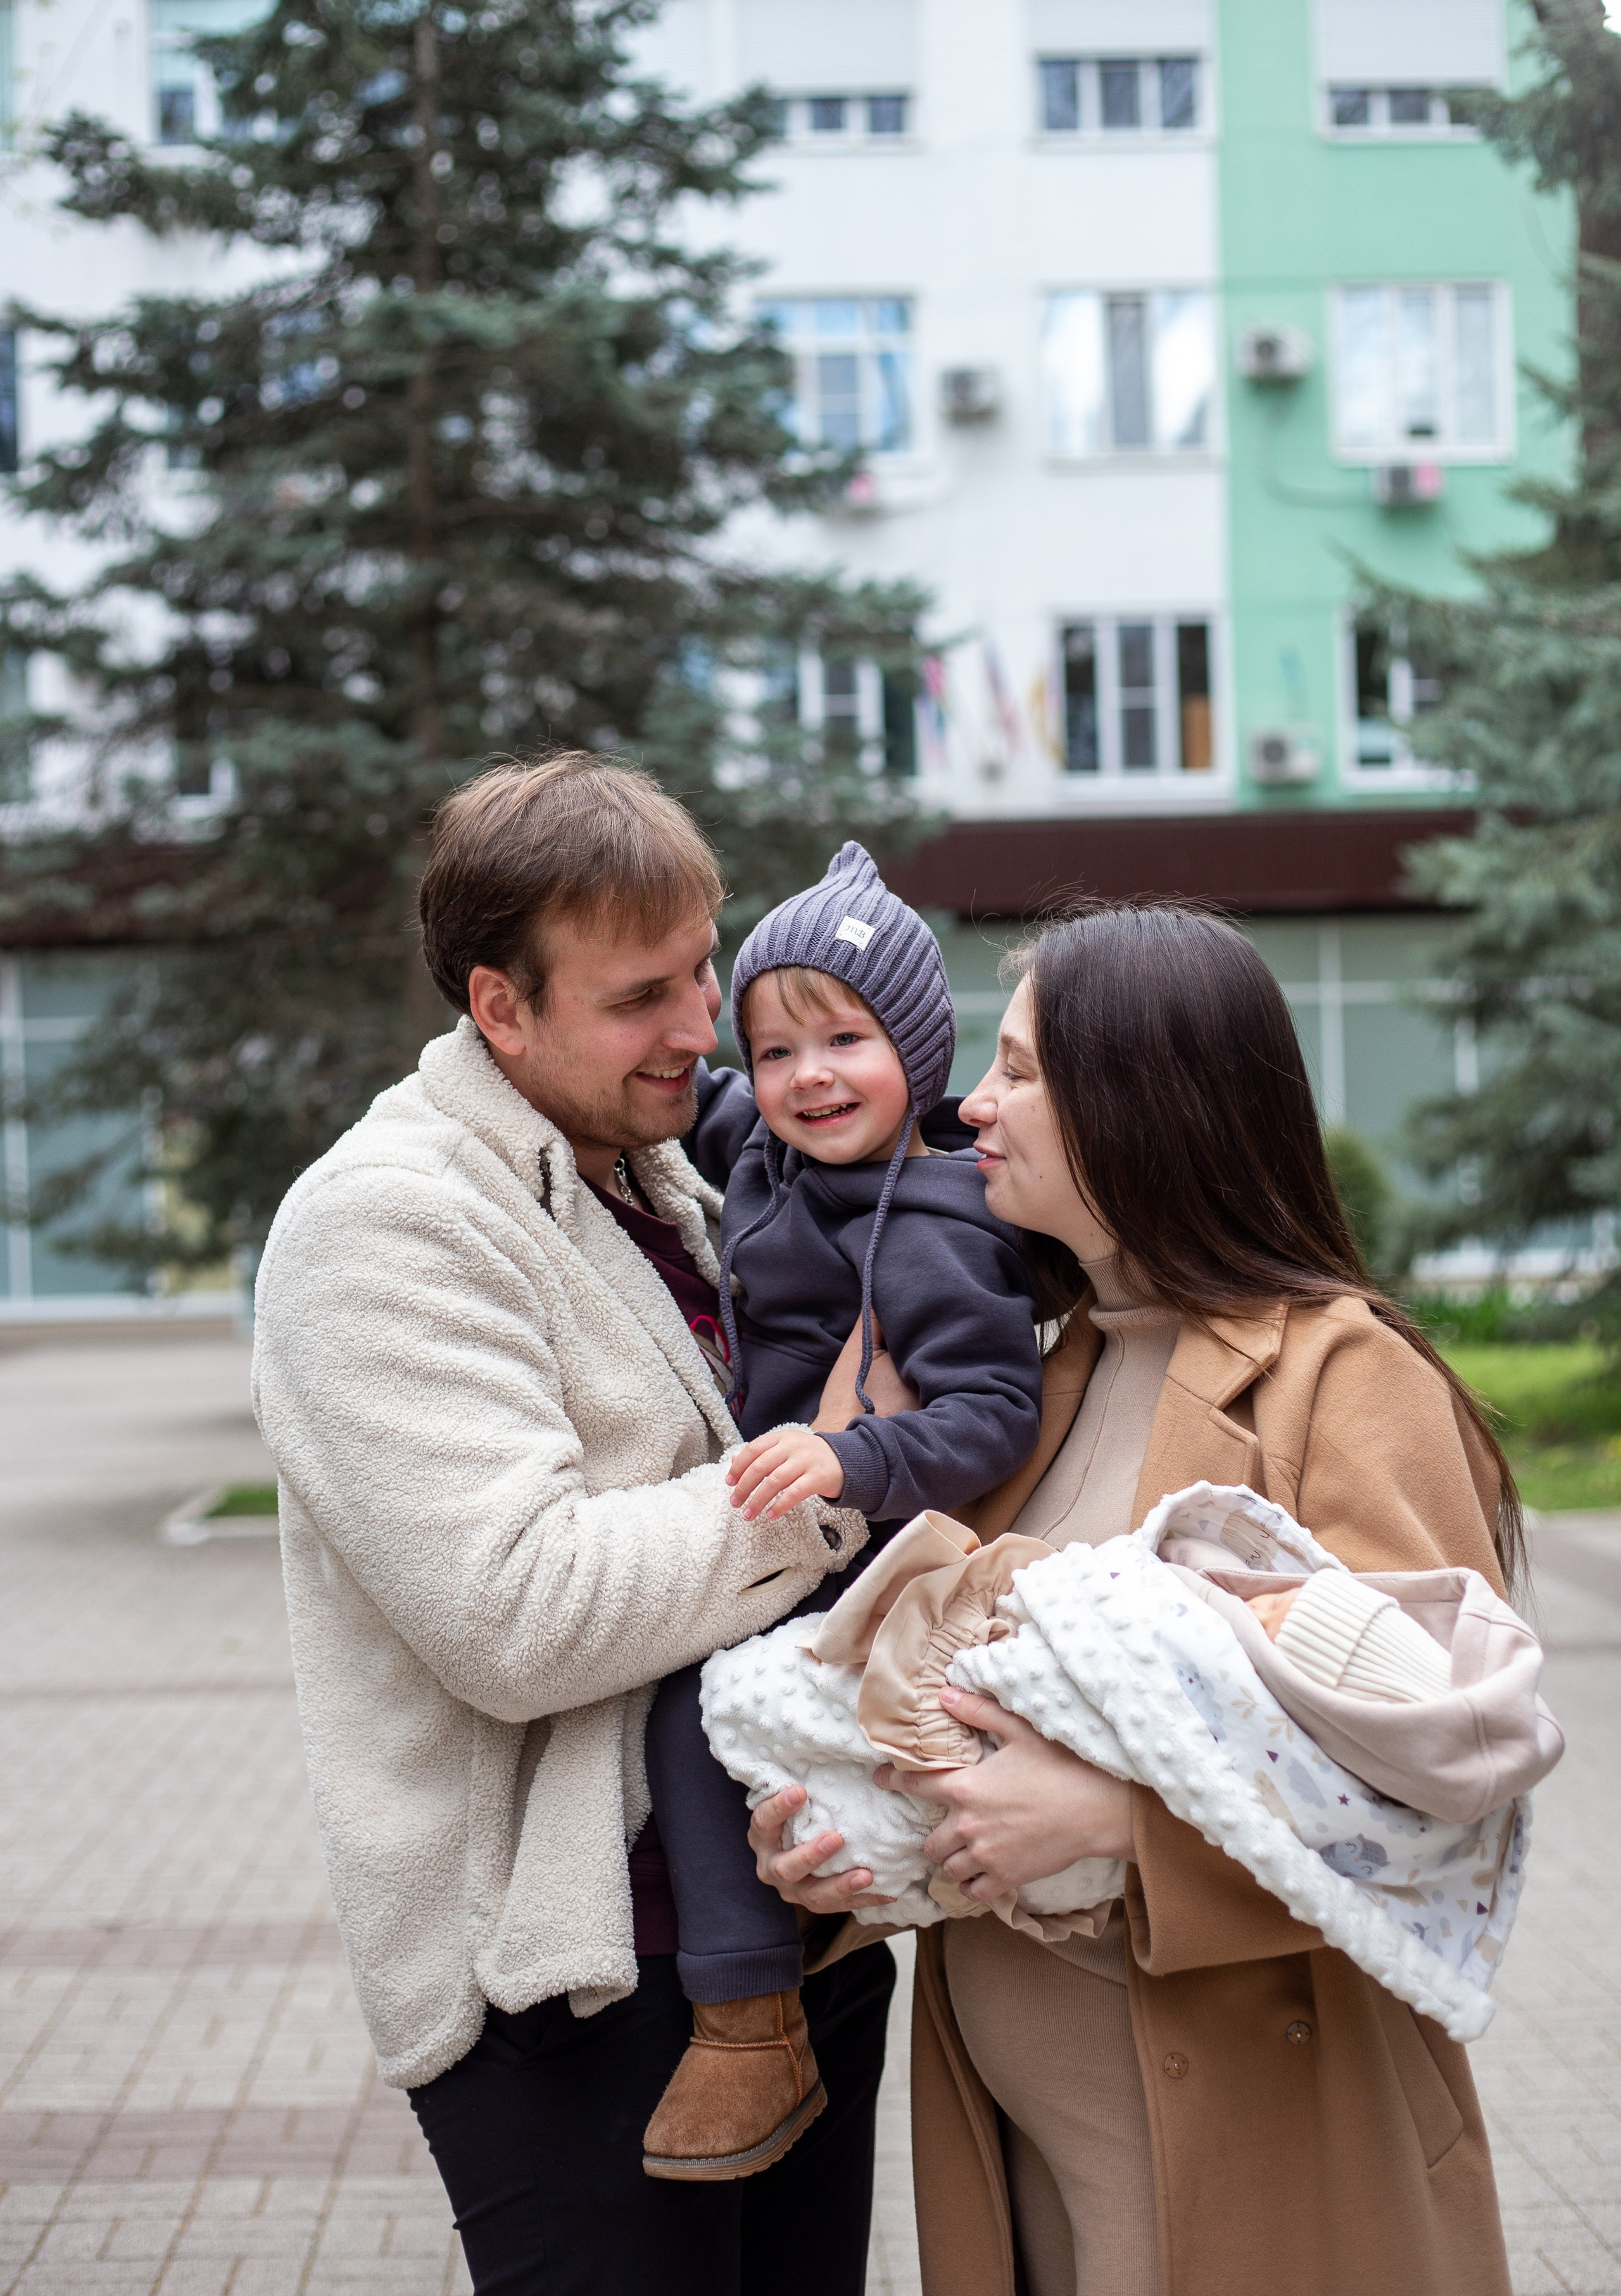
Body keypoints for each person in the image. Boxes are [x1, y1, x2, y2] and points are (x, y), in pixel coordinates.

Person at [747, 902, 1523, 2296]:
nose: (971, 1104)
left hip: (1257, 2166)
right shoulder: (1042, 1381)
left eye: (1018, 1070)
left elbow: (1450, 1782)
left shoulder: (1342, 1381)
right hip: (1027, 2168)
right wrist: (843, 1862)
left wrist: (1121, 1827)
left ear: (1143, 1102)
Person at [250, 754, 894, 2296]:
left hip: (791, 1922)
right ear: (500, 1006)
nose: (698, 1028)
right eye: (637, 998)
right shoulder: (386, 1220)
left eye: (700, 971)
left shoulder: (651, 1170)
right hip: (578, 1977)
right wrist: (827, 1480)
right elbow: (518, 1612)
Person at [639, 843, 1042, 2183]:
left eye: (845, 1042)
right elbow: (690, 1101)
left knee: (695, 1713)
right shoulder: (764, 1147)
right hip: (767, 1513)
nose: (808, 1077)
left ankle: (747, 2020)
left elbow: (994, 1412)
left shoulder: (938, 1232)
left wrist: (851, 1456)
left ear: (916, 1053)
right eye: (776, 1051)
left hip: (850, 1544)